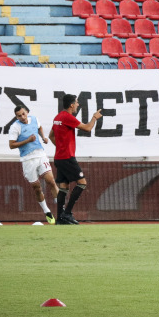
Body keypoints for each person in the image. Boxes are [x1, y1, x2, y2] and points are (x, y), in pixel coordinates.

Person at [49, 94, 102, 225]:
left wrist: (60, 147)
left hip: (59, 157)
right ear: (71, 105)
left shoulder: (57, 117)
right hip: (67, 157)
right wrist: (94, 118)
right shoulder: (67, 117)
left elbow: (51, 136)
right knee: (82, 183)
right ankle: (67, 213)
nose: (78, 105)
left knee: (63, 187)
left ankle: (60, 218)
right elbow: (88, 128)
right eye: (77, 103)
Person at [8, 105, 59, 225]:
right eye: (19, 116)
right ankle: (47, 211)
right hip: (27, 159)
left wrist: (43, 137)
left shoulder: (34, 119)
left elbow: (39, 127)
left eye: (23, 114)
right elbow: (11, 145)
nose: (22, 117)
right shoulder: (15, 127)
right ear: (16, 117)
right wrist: (27, 141)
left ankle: (62, 211)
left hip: (40, 154)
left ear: (27, 112)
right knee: (37, 188)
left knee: (51, 181)